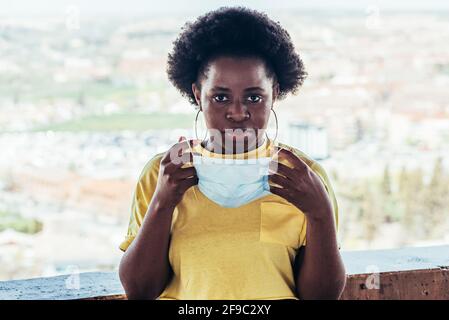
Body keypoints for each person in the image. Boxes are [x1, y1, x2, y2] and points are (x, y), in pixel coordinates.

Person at [118, 6, 346, 300]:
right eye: (221, 97)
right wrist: (163, 201)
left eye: (254, 97)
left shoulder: (302, 176)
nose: (238, 113)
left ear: (274, 93)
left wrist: (320, 214)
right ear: (198, 94)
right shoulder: (164, 173)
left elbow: (321, 297)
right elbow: (139, 290)